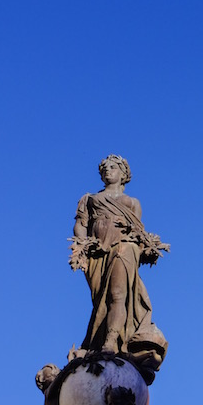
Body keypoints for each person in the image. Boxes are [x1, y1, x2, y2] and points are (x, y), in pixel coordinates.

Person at [70, 155, 168, 372]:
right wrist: (83, 245)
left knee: (118, 295)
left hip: (126, 247)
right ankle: (98, 340)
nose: (108, 170)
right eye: (104, 168)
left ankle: (110, 342)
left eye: (113, 167)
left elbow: (139, 233)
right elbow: (80, 225)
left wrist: (147, 249)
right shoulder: (89, 199)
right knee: (101, 300)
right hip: (97, 253)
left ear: (123, 174)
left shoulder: (132, 203)